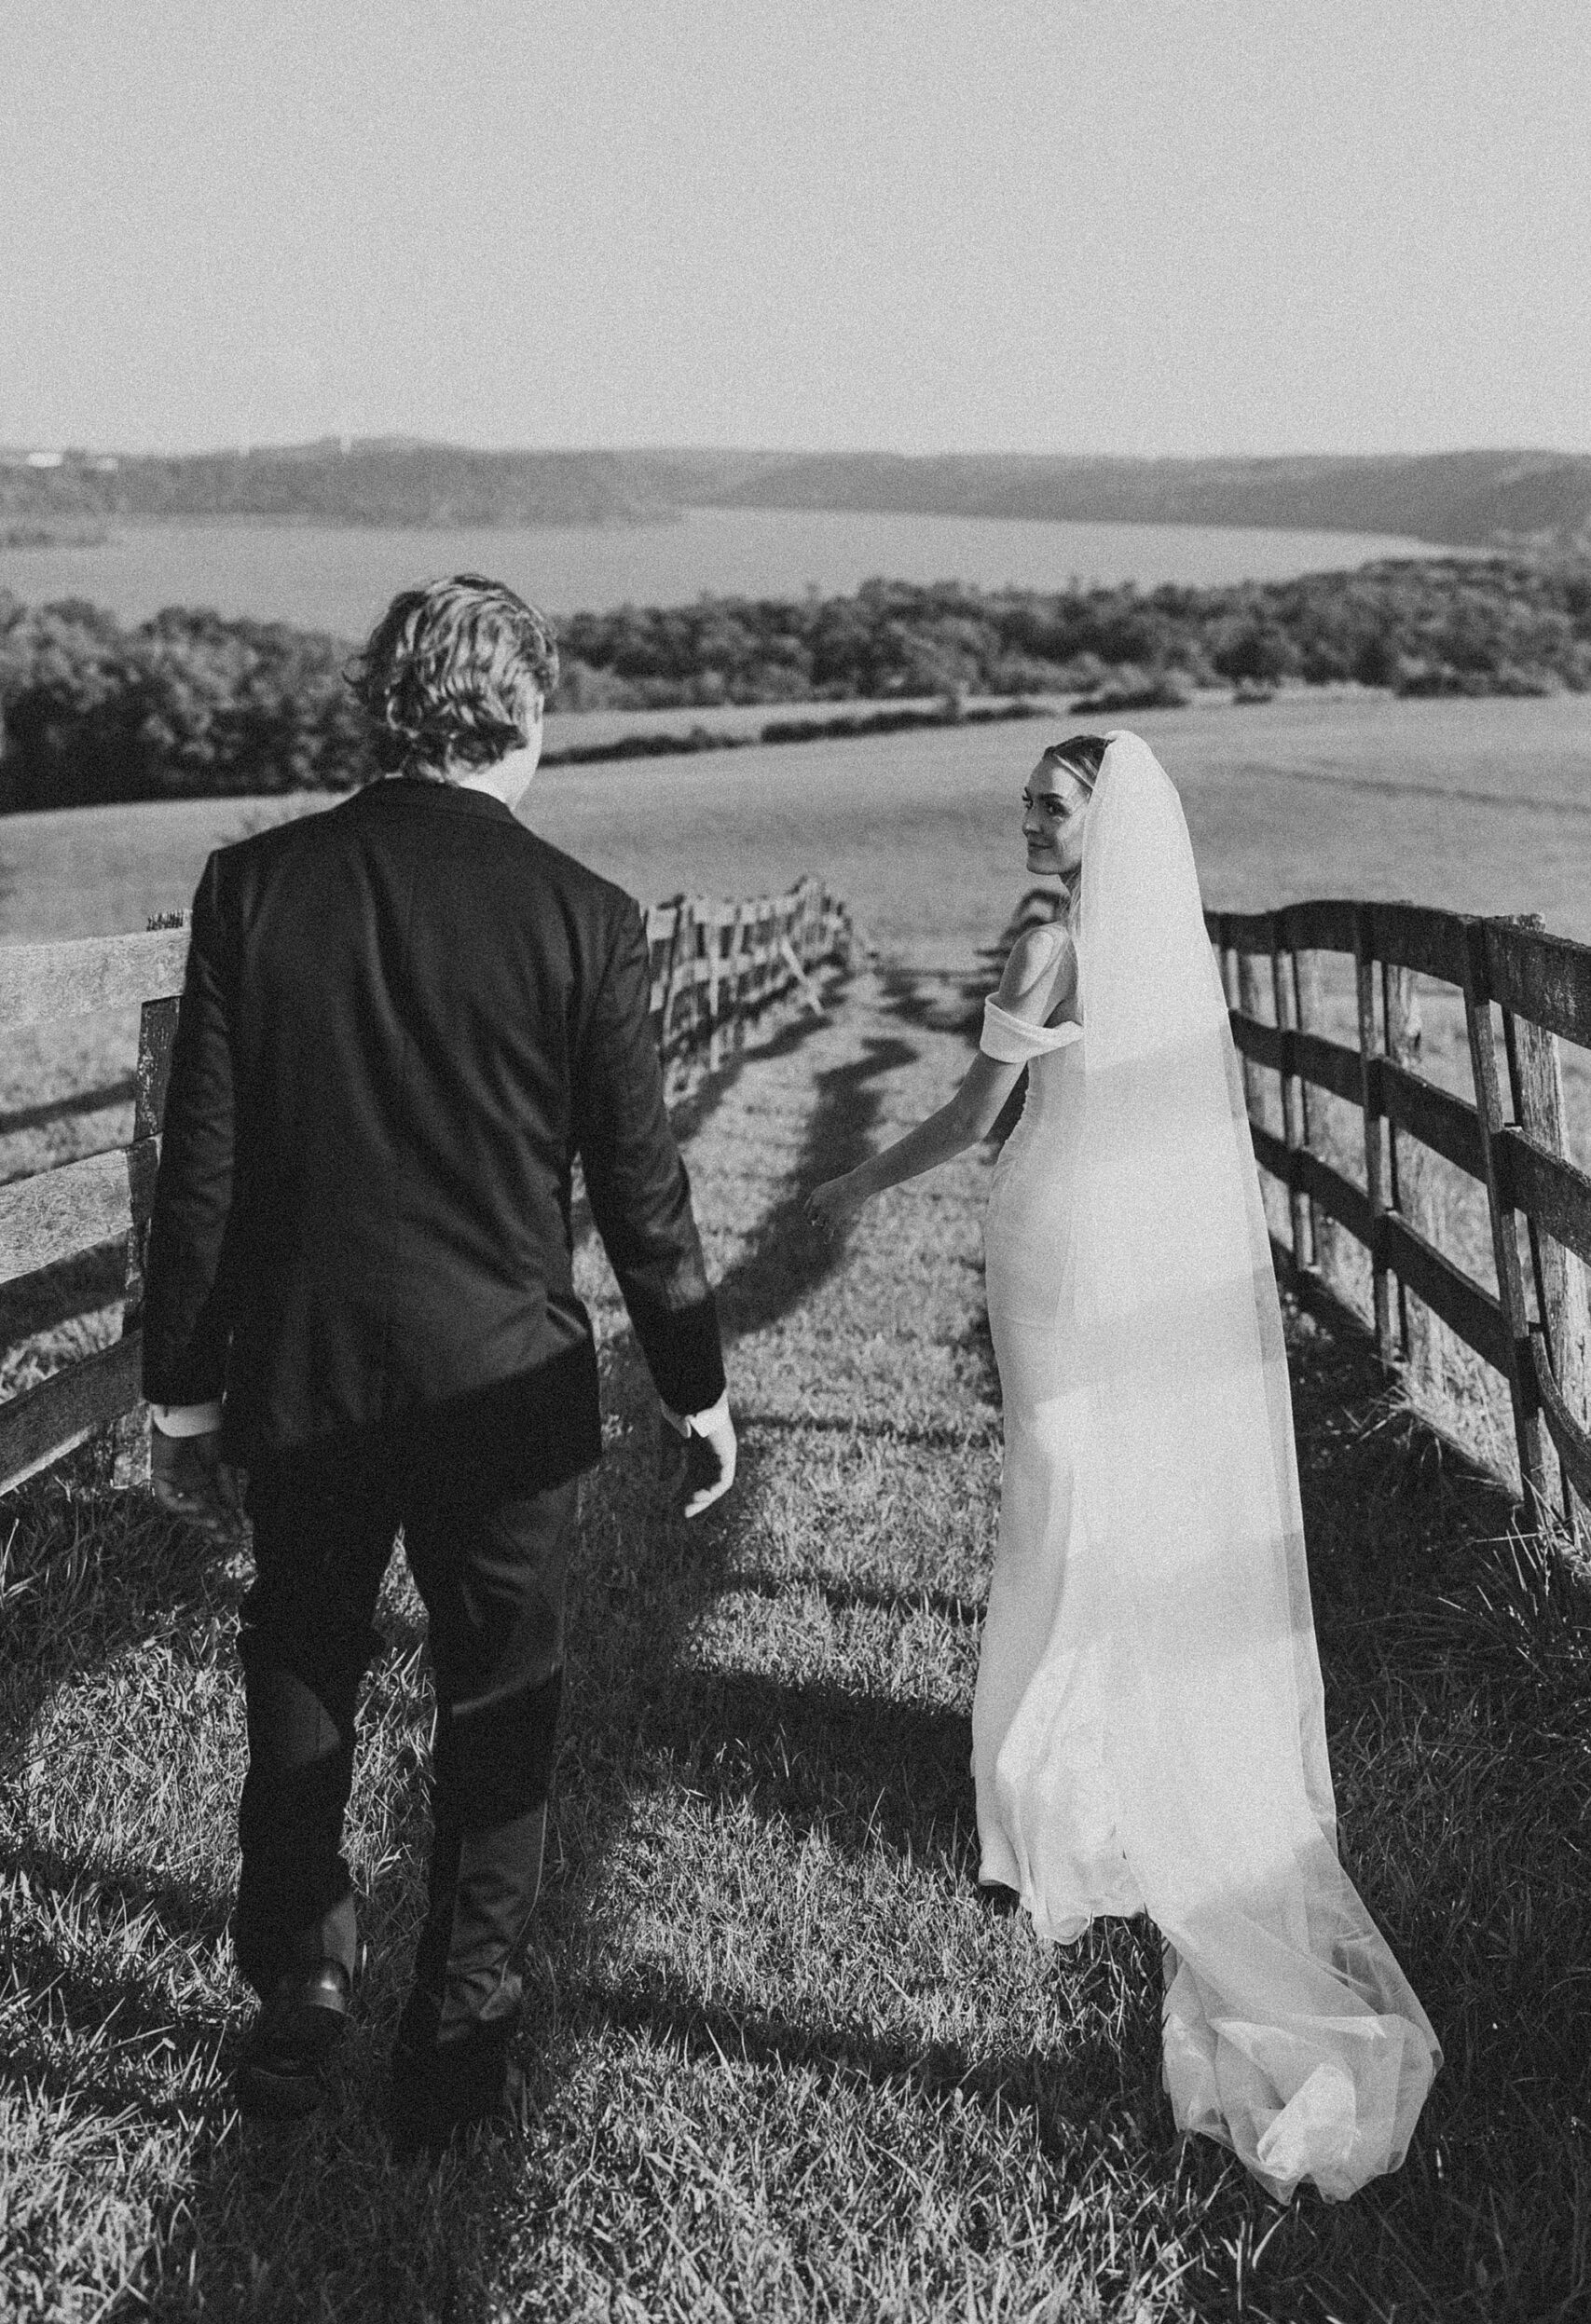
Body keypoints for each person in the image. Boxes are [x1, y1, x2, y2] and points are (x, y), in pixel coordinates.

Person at [141, 573, 736, 2154]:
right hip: (508, 1394)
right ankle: (458, 2045)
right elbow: (641, 1189)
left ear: (382, 708)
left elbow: (197, 1173)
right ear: (528, 717)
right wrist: (695, 1379)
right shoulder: (586, 919)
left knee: (301, 1660)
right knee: (501, 1704)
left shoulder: (253, 888)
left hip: (309, 1378)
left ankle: (298, 1986)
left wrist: (183, 1391)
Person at [806, 730, 1439, 2201]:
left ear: (1106, 821)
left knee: (1053, 1494)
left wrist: (848, 1183)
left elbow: (978, 1118)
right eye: (1026, 798)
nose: (1030, 819)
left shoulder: (1047, 939)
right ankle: (1092, 1778)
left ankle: (1054, 1802)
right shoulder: (1154, 939)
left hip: (1048, 1232)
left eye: (1055, 802)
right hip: (1126, 1232)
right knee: (1092, 1491)